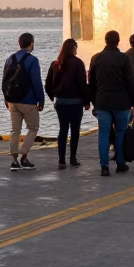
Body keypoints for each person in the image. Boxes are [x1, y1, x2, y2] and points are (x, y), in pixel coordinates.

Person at [87, 30, 134, 176]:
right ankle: (120, 163)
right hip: (121, 102)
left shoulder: (96, 58)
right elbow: (130, 82)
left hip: (102, 102)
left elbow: (91, 84)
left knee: (103, 134)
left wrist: (94, 101)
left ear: (105, 41)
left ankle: (104, 166)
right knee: (121, 133)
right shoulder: (124, 58)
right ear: (118, 41)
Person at [2, 32, 45, 172]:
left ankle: (13, 162)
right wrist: (41, 99)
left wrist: (6, 98)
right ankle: (24, 157)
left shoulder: (10, 59)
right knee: (32, 128)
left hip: (12, 100)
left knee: (15, 130)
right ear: (31, 43)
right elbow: (36, 82)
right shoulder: (32, 60)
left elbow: (4, 81)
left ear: (19, 43)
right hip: (28, 100)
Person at [45, 38, 89, 170]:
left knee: (63, 129)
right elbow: (82, 84)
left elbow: (47, 85)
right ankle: (73, 159)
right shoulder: (78, 63)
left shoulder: (55, 64)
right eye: (76, 47)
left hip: (61, 102)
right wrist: (86, 101)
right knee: (75, 130)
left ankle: (61, 160)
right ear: (73, 48)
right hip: (75, 102)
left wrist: (53, 98)